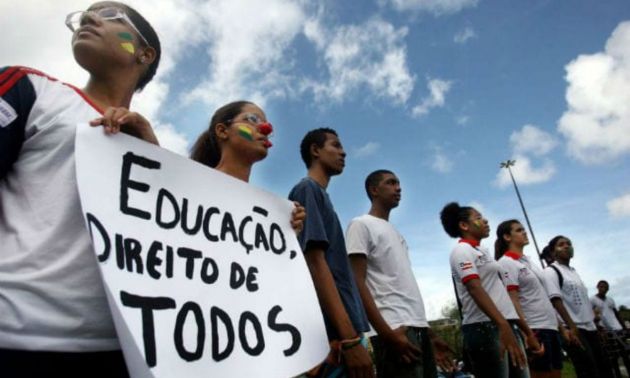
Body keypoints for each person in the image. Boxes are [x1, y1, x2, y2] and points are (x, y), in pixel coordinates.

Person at [0, 2, 161, 376]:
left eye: (111, 16)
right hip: (15, 339)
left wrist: (155, 165)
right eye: (84, 16)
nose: (87, 19)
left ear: (144, 53)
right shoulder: (28, 88)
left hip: (121, 352)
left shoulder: (150, 147)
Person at [346, 169, 454, 377]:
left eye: (398, 183)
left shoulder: (396, 233)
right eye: (391, 183)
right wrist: (388, 335)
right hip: (395, 330)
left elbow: (403, 286)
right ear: (374, 190)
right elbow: (356, 282)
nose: (399, 188)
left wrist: (429, 334)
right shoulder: (361, 225)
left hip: (417, 330)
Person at [289, 128, 373, 378]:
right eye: (335, 145)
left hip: (346, 333)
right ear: (315, 151)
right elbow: (314, 263)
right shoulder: (307, 190)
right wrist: (348, 339)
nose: (343, 152)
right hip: (336, 339)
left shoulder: (321, 196)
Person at [439, 203, 528, 378]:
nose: (485, 220)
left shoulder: (483, 251)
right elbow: (474, 288)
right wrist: (502, 324)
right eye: (478, 218)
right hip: (484, 327)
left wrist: (522, 329)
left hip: (505, 324)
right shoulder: (461, 251)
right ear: (464, 226)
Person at [189, 100, 304, 231]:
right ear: (222, 131)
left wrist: (286, 234)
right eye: (252, 119)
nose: (265, 130)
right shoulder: (189, 182)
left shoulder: (263, 212)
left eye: (267, 124)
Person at [495, 220, 562, 378]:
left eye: (524, 229)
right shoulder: (506, 263)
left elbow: (543, 296)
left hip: (551, 327)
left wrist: (559, 326)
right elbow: (513, 300)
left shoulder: (529, 261)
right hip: (535, 327)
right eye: (519, 230)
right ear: (507, 237)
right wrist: (528, 334)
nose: (524, 232)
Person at [542, 236, 614, 378]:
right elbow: (555, 300)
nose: (566, 246)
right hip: (574, 329)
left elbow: (582, 302)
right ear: (553, 252)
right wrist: (571, 327)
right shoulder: (551, 271)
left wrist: (595, 323)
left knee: (605, 368)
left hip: (590, 328)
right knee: (588, 370)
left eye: (568, 244)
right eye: (561, 244)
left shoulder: (573, 272)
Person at [591, 280, 629, 378]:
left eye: (605, 287)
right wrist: (598, 327)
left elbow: (616, 313)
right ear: (597, 287)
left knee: (625, 355)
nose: (603, 288)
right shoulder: (592, 300)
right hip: (607, 331)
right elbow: (591, 315)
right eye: (601, 286)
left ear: (607, 289)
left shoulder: (610, 300)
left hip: (618, 329)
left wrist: (624, 327)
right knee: (613, 358)